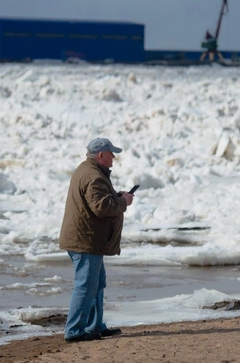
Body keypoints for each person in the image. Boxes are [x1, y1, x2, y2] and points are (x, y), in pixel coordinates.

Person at [59, 137, 134, 343]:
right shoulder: (94, 176)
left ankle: (94, 326)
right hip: (85, 241)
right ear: (101, 155)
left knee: (96, 284)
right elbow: (102, 208)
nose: (114, 157)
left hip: (87, 239)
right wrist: (123, 201)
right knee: (85, 286)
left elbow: (98, 200)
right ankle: (74, 330)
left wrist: (116, 196)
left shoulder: (89, 171)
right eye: (111, 153)